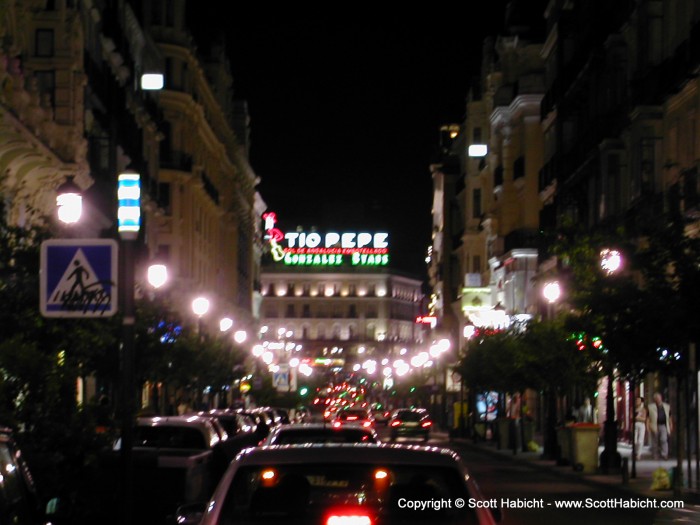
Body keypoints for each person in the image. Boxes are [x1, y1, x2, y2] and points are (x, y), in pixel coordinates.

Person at [647, 392, 673, 460]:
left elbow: (669, 416)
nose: (658, 400)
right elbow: (648, 417)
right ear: (654, 400)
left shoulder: (667, 406)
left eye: (659, 398)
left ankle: (664, 454)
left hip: (663, 425)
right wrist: (648, 426)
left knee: (664, 439)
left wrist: (671, 424)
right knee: (655, 441)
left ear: (661, 398)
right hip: (654, 425)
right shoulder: (650, 407)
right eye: (656, 399)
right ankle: (655, 455)